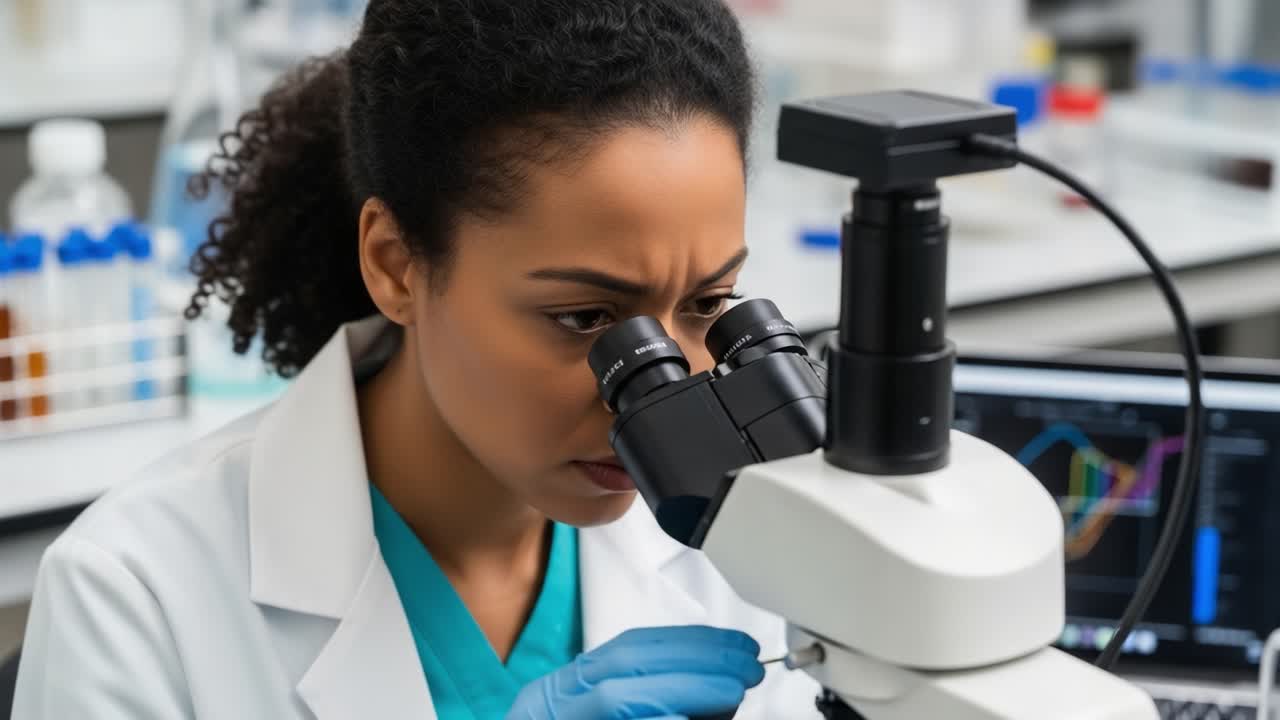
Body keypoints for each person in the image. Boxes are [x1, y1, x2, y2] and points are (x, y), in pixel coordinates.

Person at [13, 1, 824, 718]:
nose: (662, 394)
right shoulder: (133, 591)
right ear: (397, 264)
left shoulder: (736, 544)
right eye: (585, 318)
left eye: (708, 306)